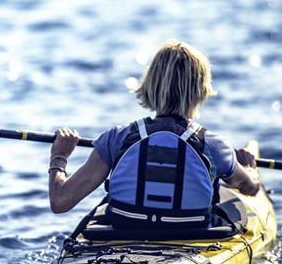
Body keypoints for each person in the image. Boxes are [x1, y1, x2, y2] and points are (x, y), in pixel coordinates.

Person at [47, 40, 261, 229]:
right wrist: (250, 168)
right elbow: (251, 188)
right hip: (190, 234)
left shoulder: (116, 139)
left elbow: (60, 202)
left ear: (150, 84)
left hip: (126, 229)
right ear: (201, 90)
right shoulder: (214, 146)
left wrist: (60, 156)